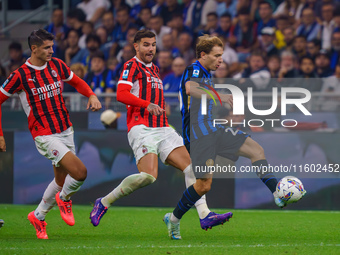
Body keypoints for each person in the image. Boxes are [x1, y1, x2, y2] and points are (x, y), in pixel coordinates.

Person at [89, 29, 231, 233]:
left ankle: (204, 215)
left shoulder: (155, 69)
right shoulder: (131, 66)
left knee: (192, 169)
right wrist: (147, 105)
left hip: (163, 127)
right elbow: (121, 94)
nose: (150, 48)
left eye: (153, 44)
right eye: (146, 44)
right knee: (148, 176)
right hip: (141, 127)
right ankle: (103, 202)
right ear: (136, 46)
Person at [163, 35, 286, 240]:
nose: (221, 60)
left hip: (213, 129)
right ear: (203, 55)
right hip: (197, 135)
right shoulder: (194, 69)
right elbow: (190, 88)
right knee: (203, 185)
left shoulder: (207, 74)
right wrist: (218, 94)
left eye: (221, 55)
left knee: (256, 150)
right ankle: (173, 219)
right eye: (217, 55)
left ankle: (277, 193)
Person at [0, 29, 102, 239]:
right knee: (80, 173)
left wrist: (91, 94)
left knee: (59, 179)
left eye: (52, 46)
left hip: (65, 129)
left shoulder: (56, 65)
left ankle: (38, 216)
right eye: (47, 47)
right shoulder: (19, 75)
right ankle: (64, 198)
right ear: (34, 48)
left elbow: (76, 82)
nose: (51, 50)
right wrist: (0, 134)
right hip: (44, 134)